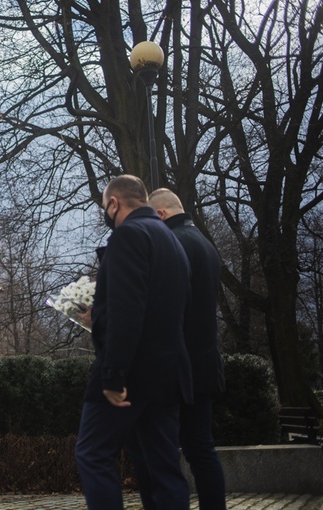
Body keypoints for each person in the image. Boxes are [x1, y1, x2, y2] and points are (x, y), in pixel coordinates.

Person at [75, 175, 193, 510]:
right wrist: (99, 314)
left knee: (93, 454)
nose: (105, 213)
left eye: (104, 206)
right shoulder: (171, 241)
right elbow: (161, 306)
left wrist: (113, 375)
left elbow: (128, 313)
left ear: (114, 202)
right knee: (164, 468)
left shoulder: (127, 236)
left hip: (131, 375)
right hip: (169, 373)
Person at [125, 188, 225, 510]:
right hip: (205, 362)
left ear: (161, 215)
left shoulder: (172, 244)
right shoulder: (206, 245)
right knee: (201, 450)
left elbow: (158, 306)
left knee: (153, 451)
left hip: (173, 366)